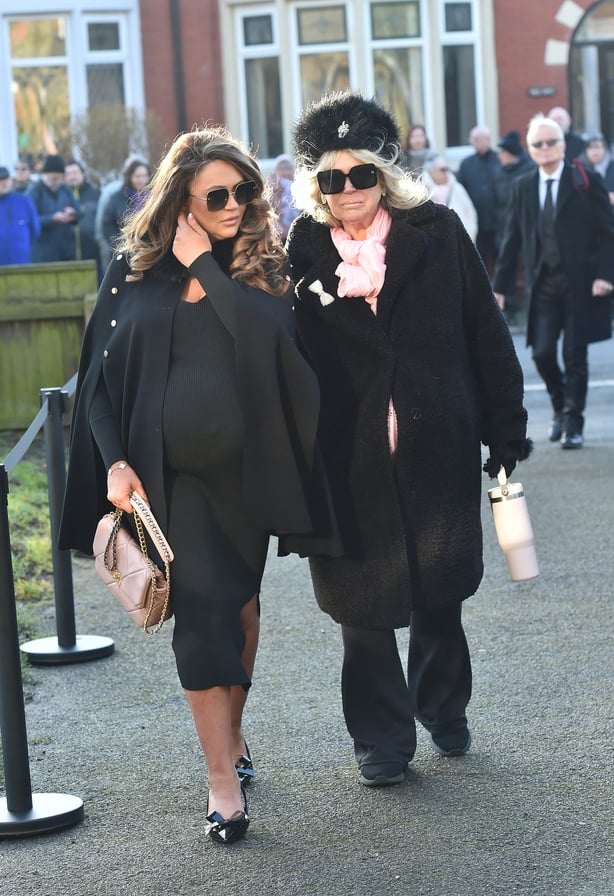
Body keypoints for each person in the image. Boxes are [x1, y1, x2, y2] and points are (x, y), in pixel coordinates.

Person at [59, 126, 339, 844]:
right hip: (164, 482)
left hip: (247, 480)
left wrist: (204, 266)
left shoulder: (261, 267)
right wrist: (116, 461)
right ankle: (221, 782)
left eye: (245, 191)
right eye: (216, 194)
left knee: (240, 609)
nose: (235, 205)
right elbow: (97, 381)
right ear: (180, 196)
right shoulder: (131, 269)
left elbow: (271, 344)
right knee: (204, 616)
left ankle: (232, 735)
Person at [287, 91, 531, 788]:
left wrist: (504, 429)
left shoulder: (439, 232)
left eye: (361, 174)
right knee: (361, 614)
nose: (348, 192)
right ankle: (382, 741)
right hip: (346, 459)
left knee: (438, 597)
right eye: (331, 179)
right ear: (316, 185)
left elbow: (486, 333)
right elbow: (286, 352)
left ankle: (443, 709)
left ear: (384, 175)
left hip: (437, 447)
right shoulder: (301, 248)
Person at [493, 115, 614, 450]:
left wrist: (606, 275)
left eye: (551, 142)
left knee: (575, 355)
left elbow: (608, 233)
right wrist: (499, 288)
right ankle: (561, 406)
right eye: (538, 144)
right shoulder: (523, 186)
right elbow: (511, 240)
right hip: (542, 284)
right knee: (543, 353)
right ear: (530, 150)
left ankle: (574, 422)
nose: (545, 149)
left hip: (581, 284)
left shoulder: (585, 181)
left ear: (563, 145)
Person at [494, 130, 536, 325]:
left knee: (530, 266)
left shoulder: (528, 170)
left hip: (528, 228)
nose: (499, 156)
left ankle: (532, 307)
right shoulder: (499, 171)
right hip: (505, 228)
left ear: (510, 153)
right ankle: (509, 309)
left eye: (502, 152)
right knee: (506, 267)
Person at [457, 125, 502, 275]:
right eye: (474, 140)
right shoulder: (466, 164)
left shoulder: (500, 160)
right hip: (477, 222)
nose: (477, 142)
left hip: (498, 222)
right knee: (477, 263)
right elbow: (461, 192)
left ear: (488, 140)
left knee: (501, 261)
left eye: (480, 139)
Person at [27, 154, 80, 262]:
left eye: (59, 177)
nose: (56, 181)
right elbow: (30, 220)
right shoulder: (34, 192)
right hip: (42, 251)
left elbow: (78, 211)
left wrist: (73, 214)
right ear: (45, 174)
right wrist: (52, 218)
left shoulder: (65, 189)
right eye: (53, 177)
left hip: (66, 250)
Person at [100, 156, 151, 260]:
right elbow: (107, 225)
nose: (142, 180)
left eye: (144, 176)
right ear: (130, 177)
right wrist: (119, 246)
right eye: (138, 176)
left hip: (149, 251)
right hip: (125, 252)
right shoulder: (116, 198)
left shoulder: (154, 197)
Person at [423, 155, 477, 241]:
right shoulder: (422, 191)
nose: (446, 172)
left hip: (460, 240)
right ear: (431, 172)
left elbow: (470, 212)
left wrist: (469, 235)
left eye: (447, 169)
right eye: (442, 169)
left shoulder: (457, 188)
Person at [64, 159, 102, 280]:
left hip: (93, 253)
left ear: (83, 174)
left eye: (75, 172)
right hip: (67, 257)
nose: (72, 177)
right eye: (68, 174)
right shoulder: (60, 197)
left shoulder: (96, 195)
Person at [0, 165, 40, 264]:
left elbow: (35, 230)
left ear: (11, 180)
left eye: (5, 179)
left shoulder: (24, 202)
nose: (3, 183)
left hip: (21, 262)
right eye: (0, 180)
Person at [267, 153, 299, 241]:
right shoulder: (273, 187)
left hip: (298, 228)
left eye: (288, 169)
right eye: (282, 169)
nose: (285, 172)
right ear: (276, 171)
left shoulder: (299, 185)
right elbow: (274, 211)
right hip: (281, 230)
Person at [581, 133, 614, 204]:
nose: (595, 152)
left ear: (605, 149)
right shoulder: (580, 169)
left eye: (598, 147)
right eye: (591, 148)